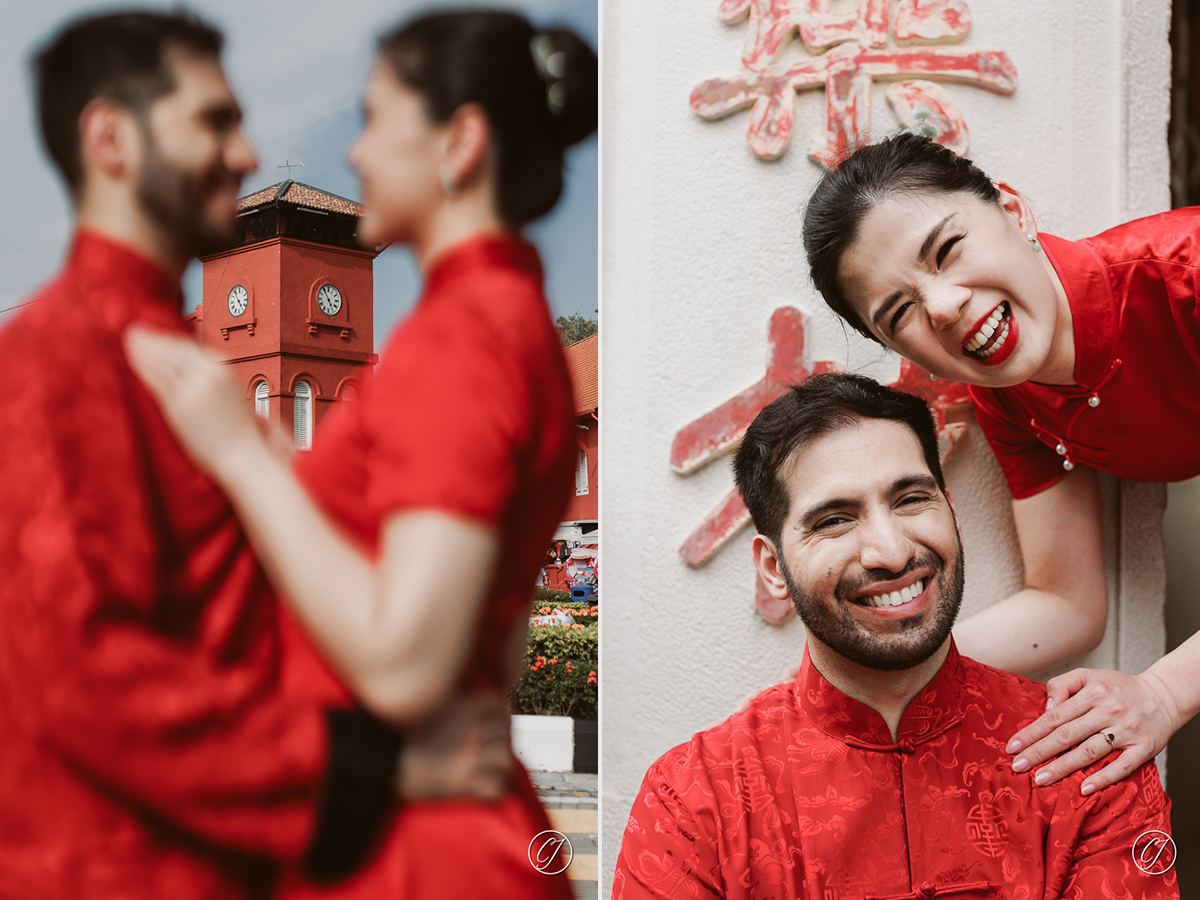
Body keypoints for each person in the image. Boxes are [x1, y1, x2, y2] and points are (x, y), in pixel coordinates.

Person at [0, 11, 511, 898]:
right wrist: (363, 771)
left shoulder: (171, 356)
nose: (244, 153)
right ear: (110, 139)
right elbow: (81, 674)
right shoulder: (63, 358)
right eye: (213, 122)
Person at [125, 9, 598, 899]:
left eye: (376, 119)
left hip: (413, 852)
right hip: (433, 818)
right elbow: (491, 645)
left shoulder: (459, 340)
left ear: (460, 142)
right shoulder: (511, 322)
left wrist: (244, 463)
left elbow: (406, 660)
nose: (354, 151)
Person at [612, 374, 1177, 900]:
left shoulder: (1087, 756)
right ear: (772, 567)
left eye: (911, 500)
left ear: (952, 515)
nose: (892, 550)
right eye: (834, 519)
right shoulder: (693, 798)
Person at [801, 131, 1200, 795]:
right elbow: (1066, 604)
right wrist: (851, 677)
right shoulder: (1008, 398)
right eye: (900, 312)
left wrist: (1162, 693)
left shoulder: (1186, 273)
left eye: (947, 250)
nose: (944, 306)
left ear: (1013, 210)